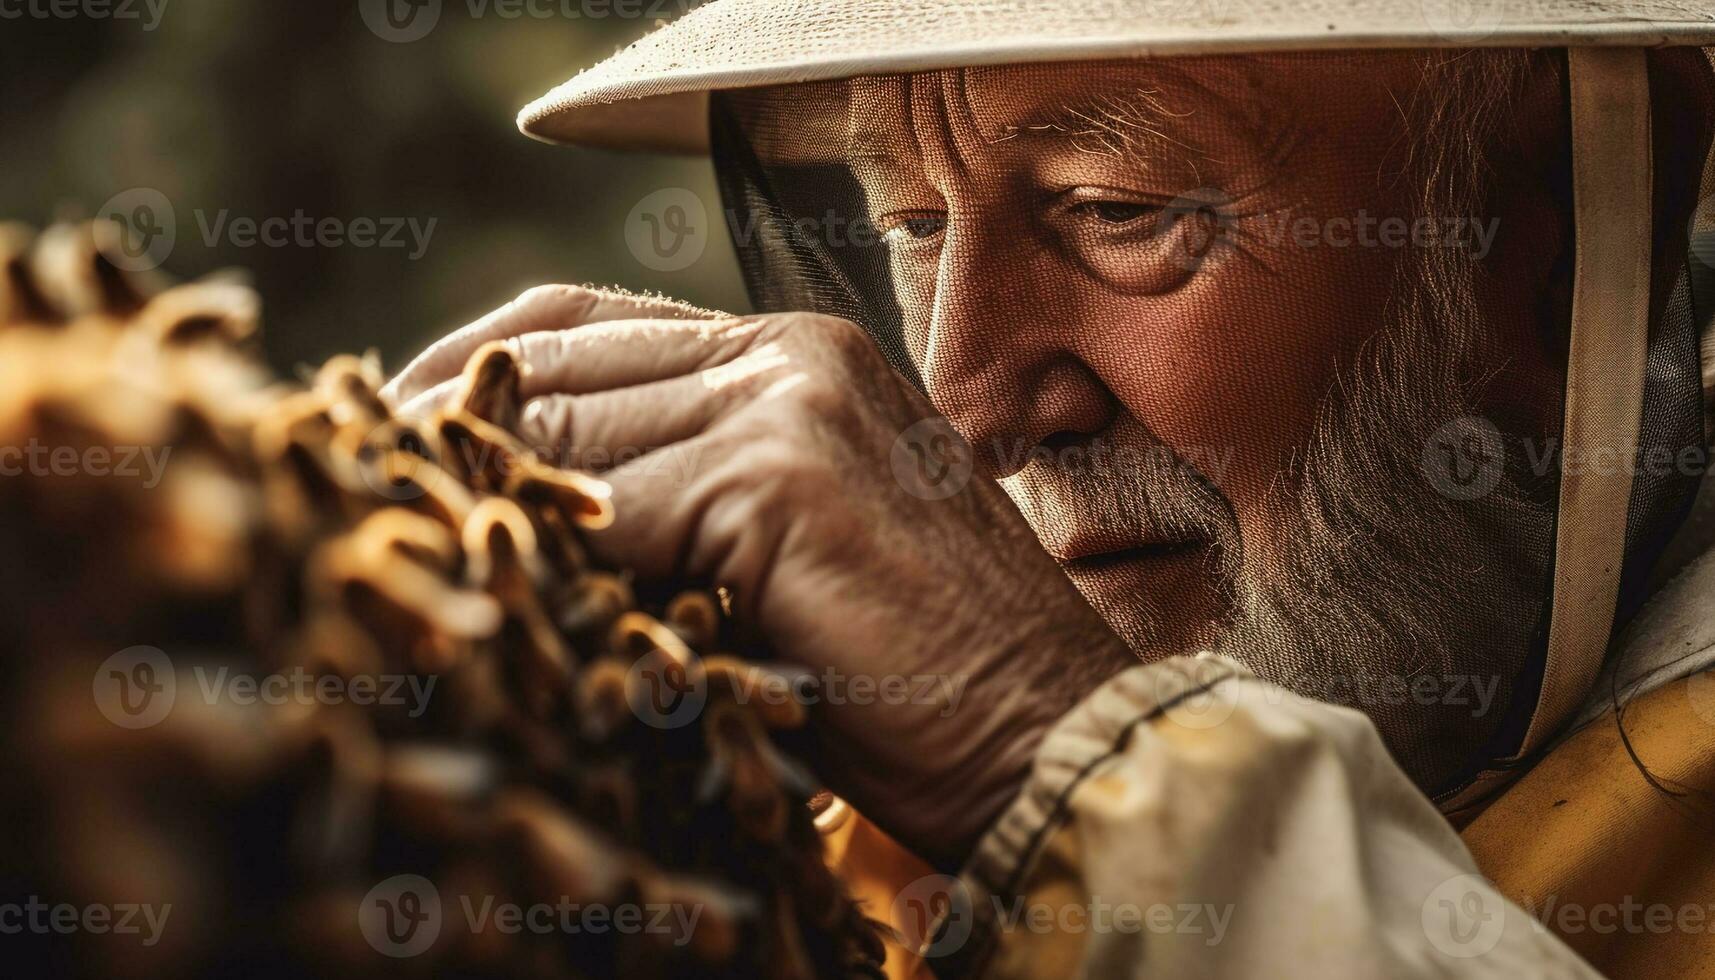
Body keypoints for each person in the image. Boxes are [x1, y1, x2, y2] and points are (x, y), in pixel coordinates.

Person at [385, 2, 1715, 975]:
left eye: (1113, 204)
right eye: (907, 225)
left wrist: (1053, 754)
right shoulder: (843, 829)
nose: (961, 405)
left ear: (1550, 252)